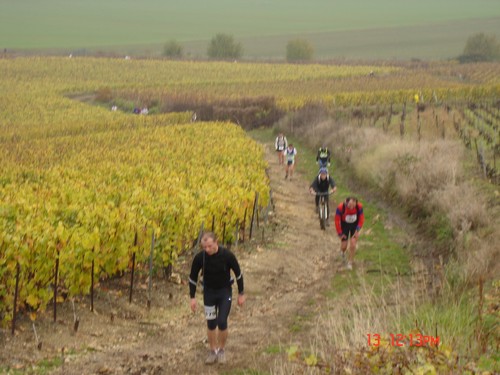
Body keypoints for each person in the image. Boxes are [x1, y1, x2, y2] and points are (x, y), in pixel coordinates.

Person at [189, 232, 245, 365]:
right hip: (209, 293)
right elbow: (192, 278)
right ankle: (212, 350)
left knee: (222, 321)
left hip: (225, 293)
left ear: (216, 242)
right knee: (211, 323)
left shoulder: (227, 255)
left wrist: (241, 293)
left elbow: (238, 274)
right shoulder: (200, 258)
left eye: (209, 246)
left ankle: (221, 350)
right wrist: (192, 297)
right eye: (204, 247)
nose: (207, 250)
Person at [335, 197, 364, 270]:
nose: (351, 207)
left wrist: (358, 229)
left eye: (353, 206)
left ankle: (350, 262)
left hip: (354, 225)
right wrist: (340, 233)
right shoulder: (340, 207)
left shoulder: (359, 207)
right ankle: (342, 252)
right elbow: (336, 221)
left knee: (353, 244)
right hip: (344, 225)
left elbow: (361, 218)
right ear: (346, 202)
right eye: (350, 205)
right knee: (344, 246)